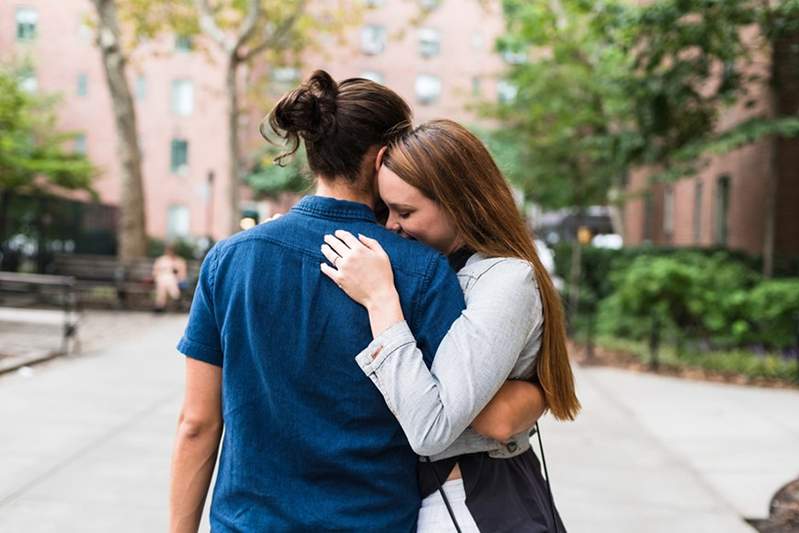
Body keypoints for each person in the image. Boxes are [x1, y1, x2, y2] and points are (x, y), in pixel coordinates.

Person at [168, 71, 542, 532]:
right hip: (372, 520)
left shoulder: (228, 260)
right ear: (385, 156)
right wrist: (536, 394)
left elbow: (197, 423)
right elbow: (457, 409)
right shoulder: (423, 271)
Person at [321, 119, 581, 532]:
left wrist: (382, 301)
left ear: (460, 203)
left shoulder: (504, 280)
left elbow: (430, 429)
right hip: (418, 499)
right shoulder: (424, 268)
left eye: (405, 212)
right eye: (384, 210)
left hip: (479, 502)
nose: (390, 225)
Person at [152, 245, 188, 313]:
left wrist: (177, 276)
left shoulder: (179, 261)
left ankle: (159, 304)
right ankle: (176, 296)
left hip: (175, 280)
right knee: (164, 280)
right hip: (162, 279)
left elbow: (183, 274)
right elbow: (155, 272)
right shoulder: (160, 260)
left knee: (168, 279)